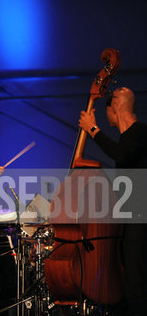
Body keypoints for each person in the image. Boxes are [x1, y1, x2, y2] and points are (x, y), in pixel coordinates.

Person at [79, 87, 147, 316]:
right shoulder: (128, 139)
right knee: (130, 290)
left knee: (136, 289)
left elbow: (122, 154)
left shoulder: (140, 133)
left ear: (115, 105)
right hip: (132, 221)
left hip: (140, 221)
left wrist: (93, 129)